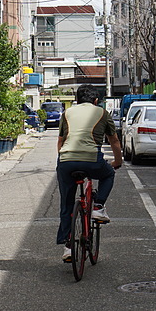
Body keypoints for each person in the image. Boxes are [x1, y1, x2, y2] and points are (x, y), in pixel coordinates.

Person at [56, 84, 122, 262]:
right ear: (96, 101)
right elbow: (114, 140)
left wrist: (64, 161)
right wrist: (118, 161)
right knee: (108, 174)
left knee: (66, 204)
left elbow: (61, 141)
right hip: (92, 160)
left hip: (66, 161)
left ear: (77, 100)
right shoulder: (101, 112)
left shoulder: (67, 113)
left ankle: (68, 247)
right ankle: (98, 207)